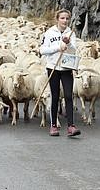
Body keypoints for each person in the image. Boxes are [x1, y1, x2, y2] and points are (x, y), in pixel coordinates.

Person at [39, 9, 81, 137]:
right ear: (57, 19)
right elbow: (42, 50)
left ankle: (71, 126)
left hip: (66, 67)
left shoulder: (71, 33)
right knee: (55, 96)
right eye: (62, 18)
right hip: (53, 67)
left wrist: (68, 44)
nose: (65, 21)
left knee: (68, 95)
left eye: (67, 18)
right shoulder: (49, 33)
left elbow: (74, 50)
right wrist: (58, 47)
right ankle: (53, 125)